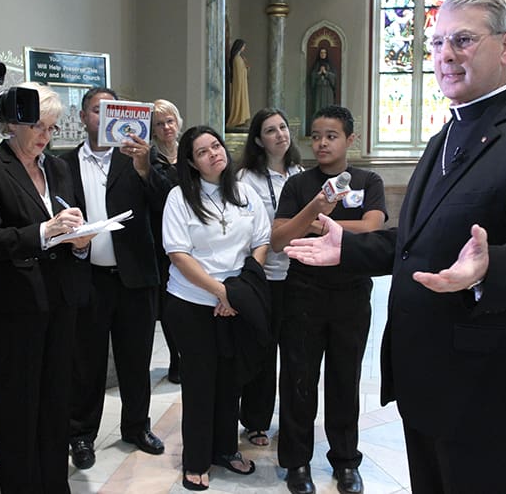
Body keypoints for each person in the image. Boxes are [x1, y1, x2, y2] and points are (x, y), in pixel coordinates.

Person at [285, 0, 506, 494]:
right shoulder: (442, 139)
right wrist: (350, 248)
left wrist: (489, 267)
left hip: (494, 392)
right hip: (429, 381)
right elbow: (417, 244)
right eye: (436, 43)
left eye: (463, 40)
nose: (445, 55)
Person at [0, 82, 93, 493]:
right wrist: (43, 231)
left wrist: (80, 239)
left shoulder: (57, 168)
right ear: (12, 124)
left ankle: (54, 484)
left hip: (59, 300)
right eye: (37, 126)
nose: (44, 136)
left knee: (56, 400)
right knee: (18, 405)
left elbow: (69, 224)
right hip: (13, 307)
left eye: (52, 128)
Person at [270, 105, 386, 494]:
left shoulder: (368, 181)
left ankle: (346, 462)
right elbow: (280, 237)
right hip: (304, 293)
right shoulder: (299, 185)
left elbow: (372, 228)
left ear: (350, 140)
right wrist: (315, 210)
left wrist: (319, 224)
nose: (321, 143)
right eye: (316, 136)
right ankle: (297, 462)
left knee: (344, 380)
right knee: (298, 379)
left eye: (331, 136)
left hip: (351, 294)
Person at [62, 87, 172, 470]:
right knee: (86, 362)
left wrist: (144, 168)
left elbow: (166, 204)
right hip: (86, 277)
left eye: (110, 110)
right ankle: (80, 434)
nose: (102, 117)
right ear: (83, 116)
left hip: (134, 278)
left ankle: (136, 427)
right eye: (96, 110)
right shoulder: (62, 163)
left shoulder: (139, 158)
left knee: (135, 360)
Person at [162, 126, 270, 490]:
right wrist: (219, 291)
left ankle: (225, 449)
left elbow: (261, 242)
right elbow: (178, 254)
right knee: (199, 382)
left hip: (235, 299)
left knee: (230, 380)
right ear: (191, 162)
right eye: (203, 151)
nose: (213, 153)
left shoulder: (244, 191)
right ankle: (195, 459)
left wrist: (234, 292)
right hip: (192, 303)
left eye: (216, 145)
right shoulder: (179, 198)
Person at [235, 107, 303, 446]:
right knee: (261, 352)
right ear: (259, 141)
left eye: (283, 127)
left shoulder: (299, 173)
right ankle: (256, 420)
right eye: (271, 130)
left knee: (294, 353)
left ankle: (292, 421)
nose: (280, 135)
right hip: (262, 275)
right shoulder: (246, 178)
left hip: (297, 274)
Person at [150, 98, 183, 383]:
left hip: (191, 236)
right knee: (169, 303)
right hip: (160, 239)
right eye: (160, 124)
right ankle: (176, 358)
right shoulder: (149, 158)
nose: (166, 127)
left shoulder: (189, 153)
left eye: (170, 121)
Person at [226, 39, 251, 128]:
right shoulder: (236, 59)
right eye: (243, 46)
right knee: (238, 100)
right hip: (239, 84)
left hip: (242, 84)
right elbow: (238, 72)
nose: (244, 48)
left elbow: (242, 70)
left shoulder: (239, 58)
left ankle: (242, 118)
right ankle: (237, 118)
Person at [309, 48, 336, 115]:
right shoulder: (316, 64)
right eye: (321, 53)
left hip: (328, 90)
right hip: (319, 89)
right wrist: (319, 73)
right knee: (318, 108)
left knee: (328, 109)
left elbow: (334, 77)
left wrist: (326, 73)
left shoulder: (330, 64)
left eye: (324, 53)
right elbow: (312, 76)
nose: (323, 54)